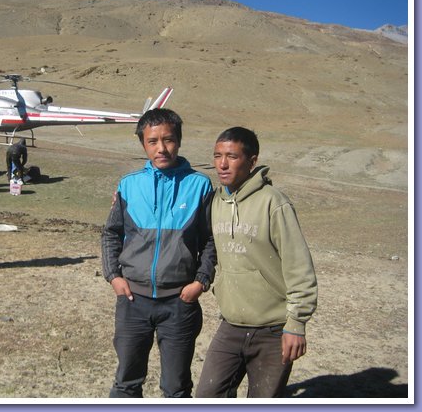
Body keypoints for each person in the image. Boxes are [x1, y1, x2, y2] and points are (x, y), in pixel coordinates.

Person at [101, 108, 216, 398]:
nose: (161, 148)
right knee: (127, 381)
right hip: (132, 301)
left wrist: (200, 282)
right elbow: (111, 233)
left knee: (176, 387)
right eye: (152, 141)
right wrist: (114, 276)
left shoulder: (200, 185)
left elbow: (212, 240)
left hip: (179, 303)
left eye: (168, 140)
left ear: (179, 140)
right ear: (143, 144)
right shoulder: (129, 185)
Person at [195, 127, 318, 398]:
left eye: (232, 156)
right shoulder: (215, 201)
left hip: (273, 330)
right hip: (231, 325)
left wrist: (296, 324)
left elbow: (299, 266)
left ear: (252, 161)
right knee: (207, 396)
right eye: (217, 156)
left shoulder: (274, 203)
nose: (222, 164)